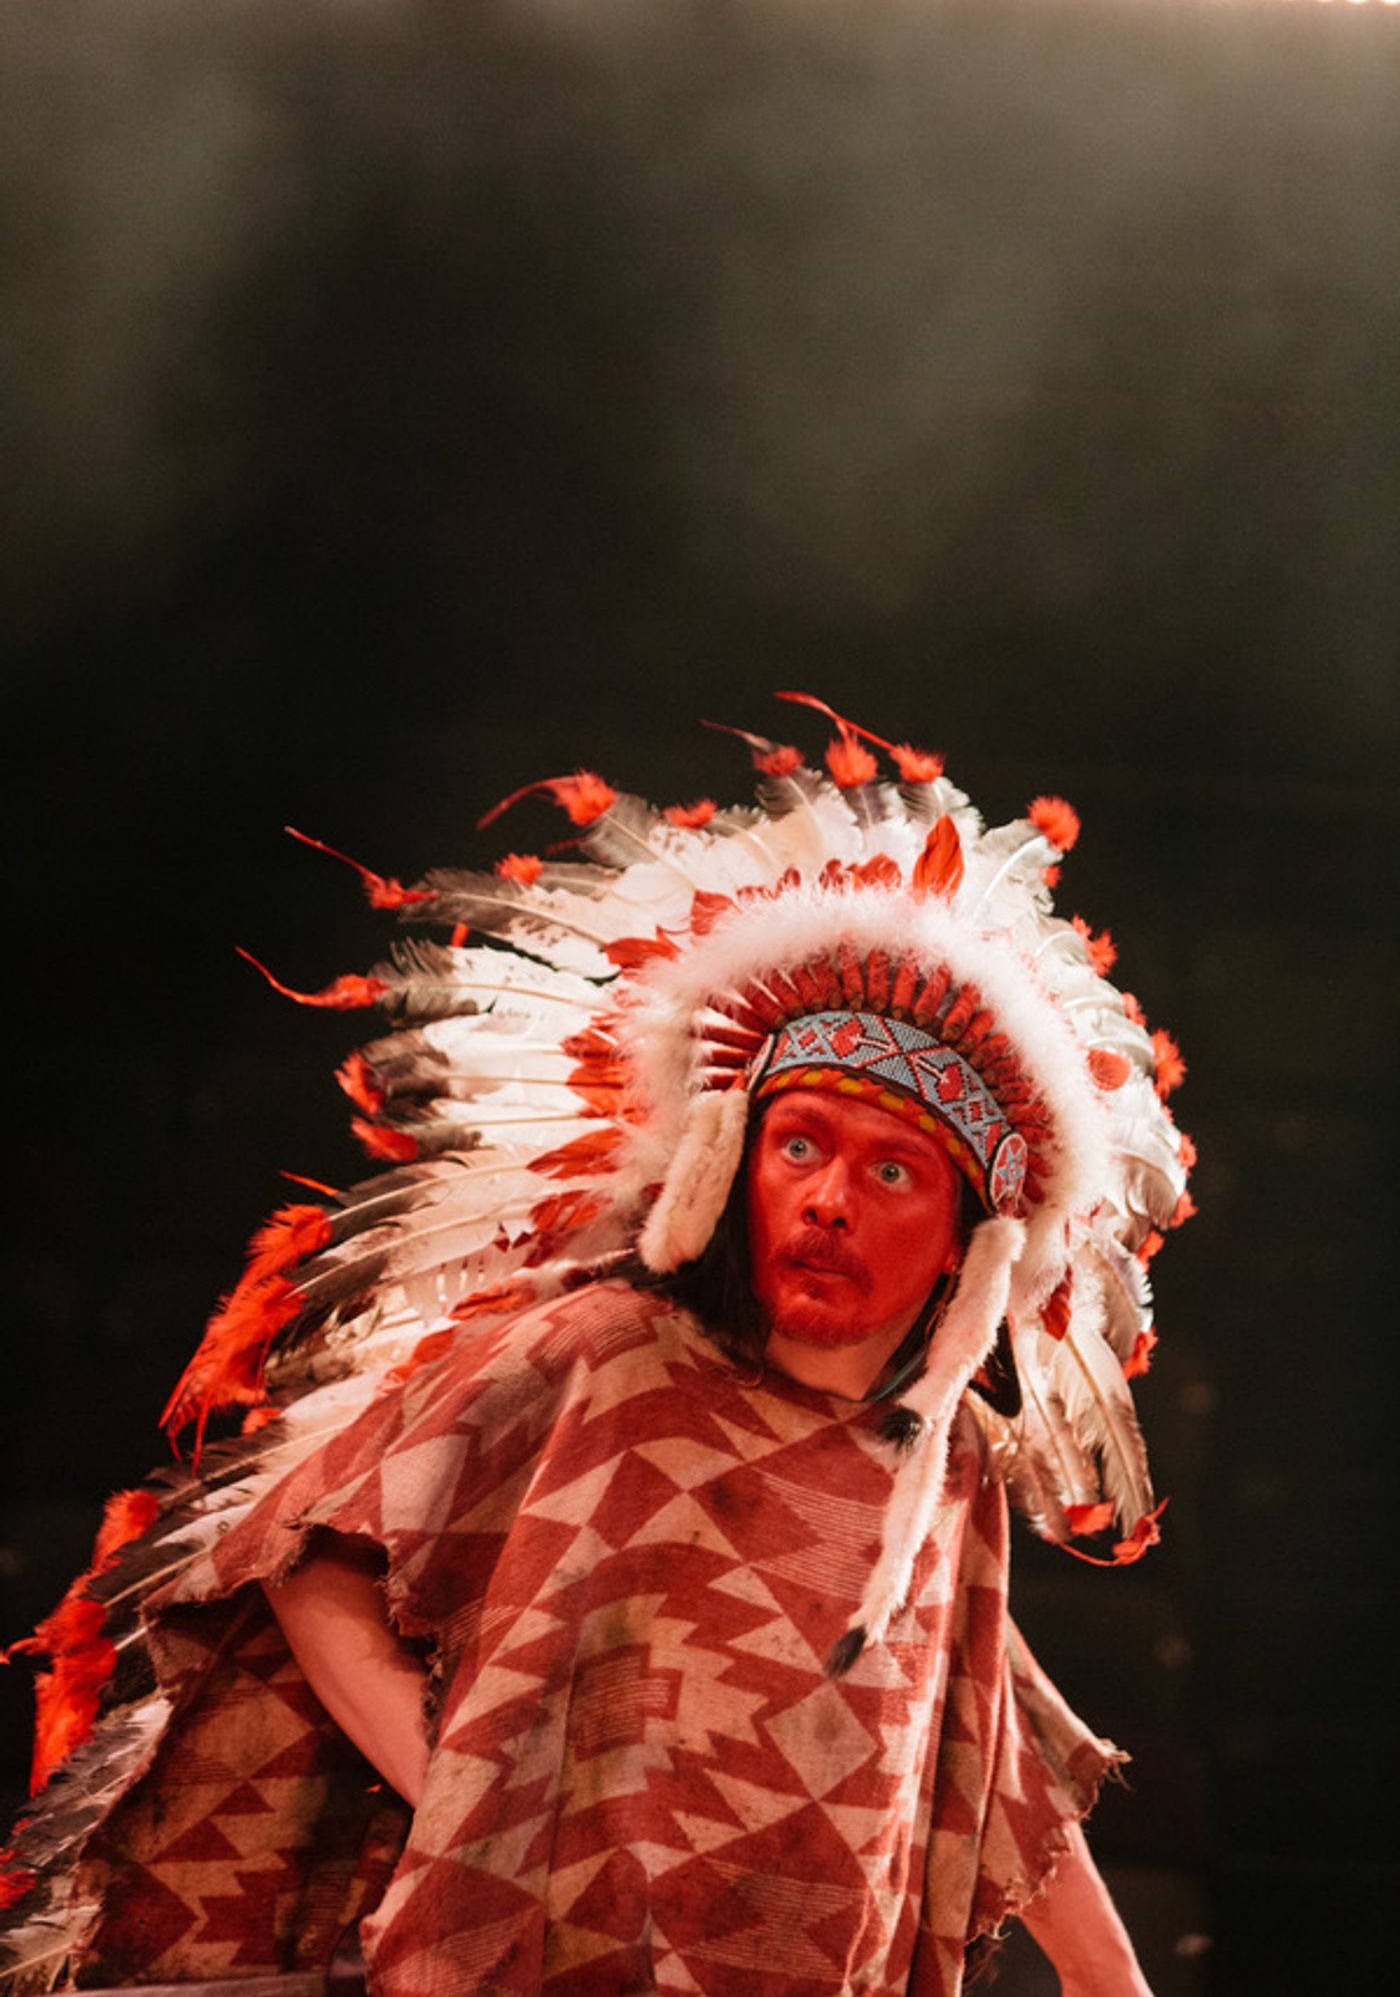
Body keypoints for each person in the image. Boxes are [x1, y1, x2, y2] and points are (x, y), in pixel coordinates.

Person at [0, 699, 1191, 1997]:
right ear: (731, 1162)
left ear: (970, 1239)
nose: (831, 1199)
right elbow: (306, 1550)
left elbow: (982, 1730)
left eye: (894, 1168)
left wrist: (1111, 1982)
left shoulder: (943, 1465)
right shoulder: (610, 1357)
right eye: (800, 1145)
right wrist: (474, 1805)